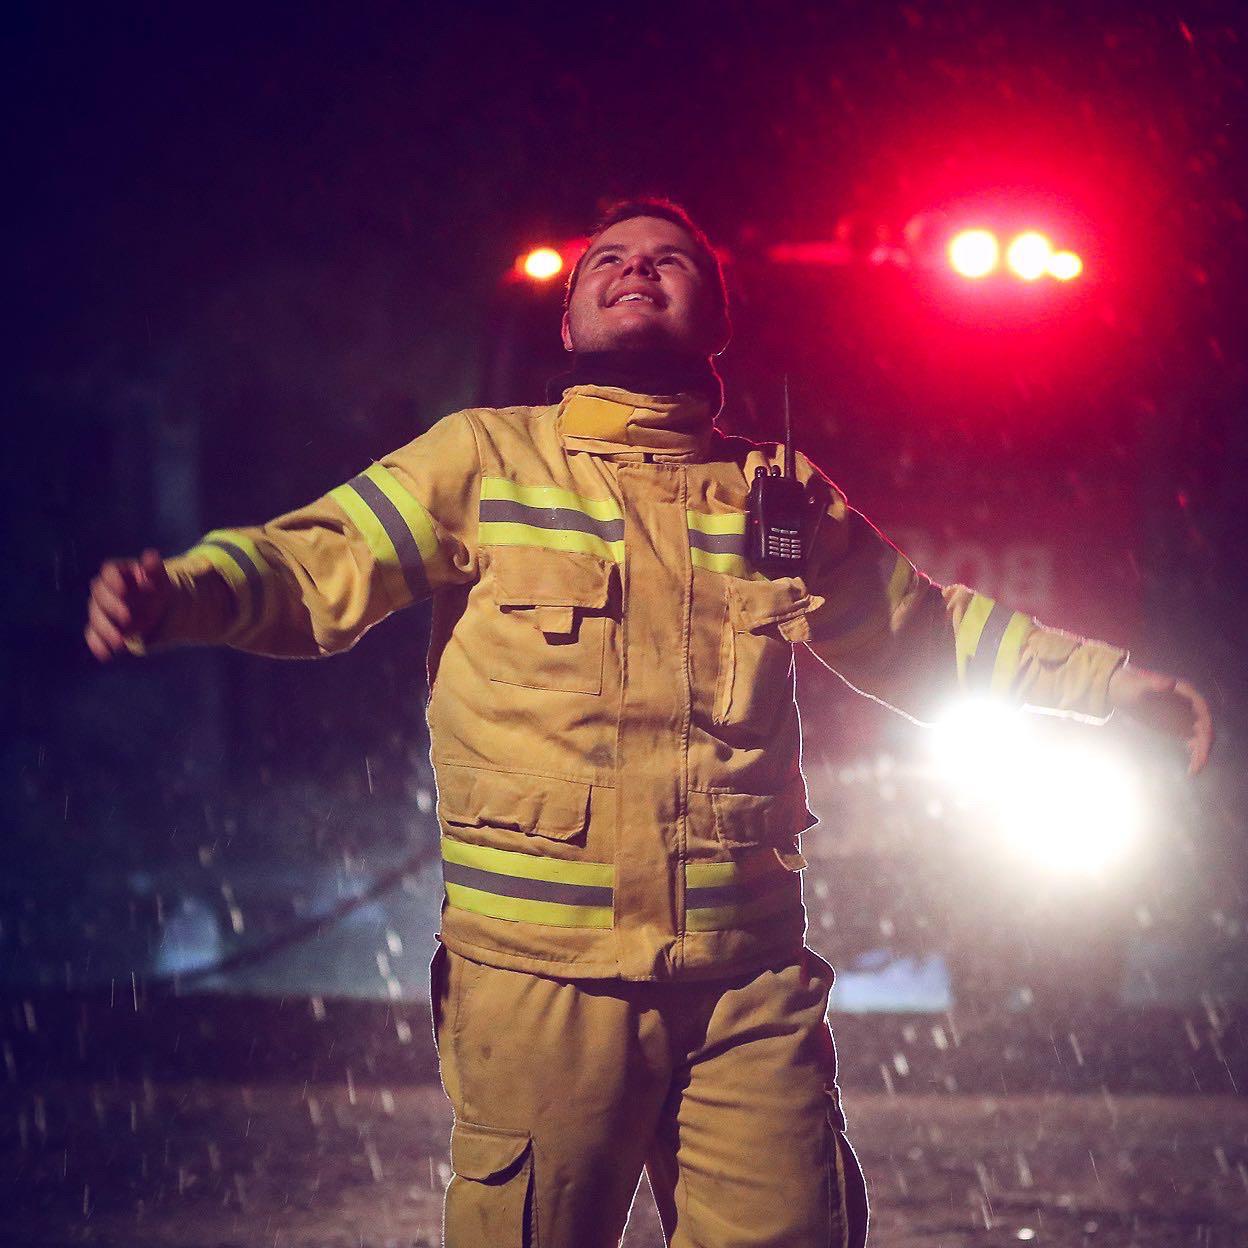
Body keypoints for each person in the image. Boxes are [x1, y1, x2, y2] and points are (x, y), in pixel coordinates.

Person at [86, 198, 1213, 1248]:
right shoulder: (480, 460)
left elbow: (932, 637)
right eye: (607, 261)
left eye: (669, 259)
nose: (636, 268)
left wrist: (1111, 689)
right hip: (541, 985)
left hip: (747, 989)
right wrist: (182, 593)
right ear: (571, 320)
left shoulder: (778, 492)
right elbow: (312, 563)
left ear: (717, 318)